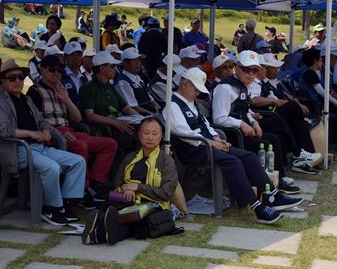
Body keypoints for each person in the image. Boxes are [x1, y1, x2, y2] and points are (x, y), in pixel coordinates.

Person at [168, 68, 302, 224]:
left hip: (209, 144)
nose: (198, 93)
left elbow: (206, 125)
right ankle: (257, 207)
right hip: (192, 149)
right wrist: (212, 143)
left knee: (249, 157)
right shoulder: (172, 105)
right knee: (233, 162)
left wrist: (218, 138)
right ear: (184, 84)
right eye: (195, 89)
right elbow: (182, 131)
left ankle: (272, 194)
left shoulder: (191, 103)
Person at [0, 60, 86, 225]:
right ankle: (50, 208)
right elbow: (2, 130)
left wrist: (48, 131)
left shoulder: (27, 100)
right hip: (17, 150)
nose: (18, 81)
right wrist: (31, 133)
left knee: (78, 161)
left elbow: (42, 121)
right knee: (52, 167)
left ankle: (65, 204)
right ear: (3, 82)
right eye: (12, 78)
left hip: (38, 148)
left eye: (20, 77)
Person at [27, 56, 117, 209]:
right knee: (80, 146)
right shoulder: (35, 92)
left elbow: (77, 117)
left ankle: (93, 185)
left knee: (109, 144)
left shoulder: (61, 88)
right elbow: (36, 122)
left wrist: (67, 100)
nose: (57, 73)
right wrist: (58, 134)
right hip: (51, 135)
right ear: (42, 69)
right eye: (52, 70)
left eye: (60, 70)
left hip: (70, 130)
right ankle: (82, 189)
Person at [82, 117, 179, 245]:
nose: (150, 137)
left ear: (160, 137)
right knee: (115, 210)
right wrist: (125, 189)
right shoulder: (130, 158)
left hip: (153, 206)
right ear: (139, 135)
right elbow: (117, 182)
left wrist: (138, 188)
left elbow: (166, 193)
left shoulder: (166, 161)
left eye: (154, 134)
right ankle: (103, 232)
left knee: (136, 220)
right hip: (127, 201)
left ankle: (98, 234)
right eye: (146, 133)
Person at [212, 50, 297, 190]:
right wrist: (242, 124)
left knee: (274, 138)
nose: (251, 74)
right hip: (232, 135)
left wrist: (254, 122)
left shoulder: (242, 86)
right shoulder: (225, 88)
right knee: (264, 143)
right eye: (247, 70)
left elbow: (245, 110)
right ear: (237, 68)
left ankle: (278, 178)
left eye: (255, 70)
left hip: (244, 130)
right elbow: (219, 118)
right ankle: (266, 184)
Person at [79, 51, 140, 156]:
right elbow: (90, 115)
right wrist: (114, 122)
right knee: (140, 139)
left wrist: (142, 120)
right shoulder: (88, 88)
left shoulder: (110, 87)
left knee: (148, 133)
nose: (115, 69)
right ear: (102, 68)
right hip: (105, 129)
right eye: (112, 66)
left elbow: (126, 108)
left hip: (119, 126)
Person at [115, 47, 158, 115]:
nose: (138, 63)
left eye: (139, 60)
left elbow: (151, 100)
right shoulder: (123, 82)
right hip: (140, 118)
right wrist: (154, 115)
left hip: (150, 113)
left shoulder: (138, 79)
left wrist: (160, 111)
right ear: (125, 63)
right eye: (134, 60)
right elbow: (133, 107)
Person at [62, 41, 88, 106]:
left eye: (79, 55)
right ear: (65, 57)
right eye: (72, 54)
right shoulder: (60, 75)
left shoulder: (84, 77)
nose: (76, 57)